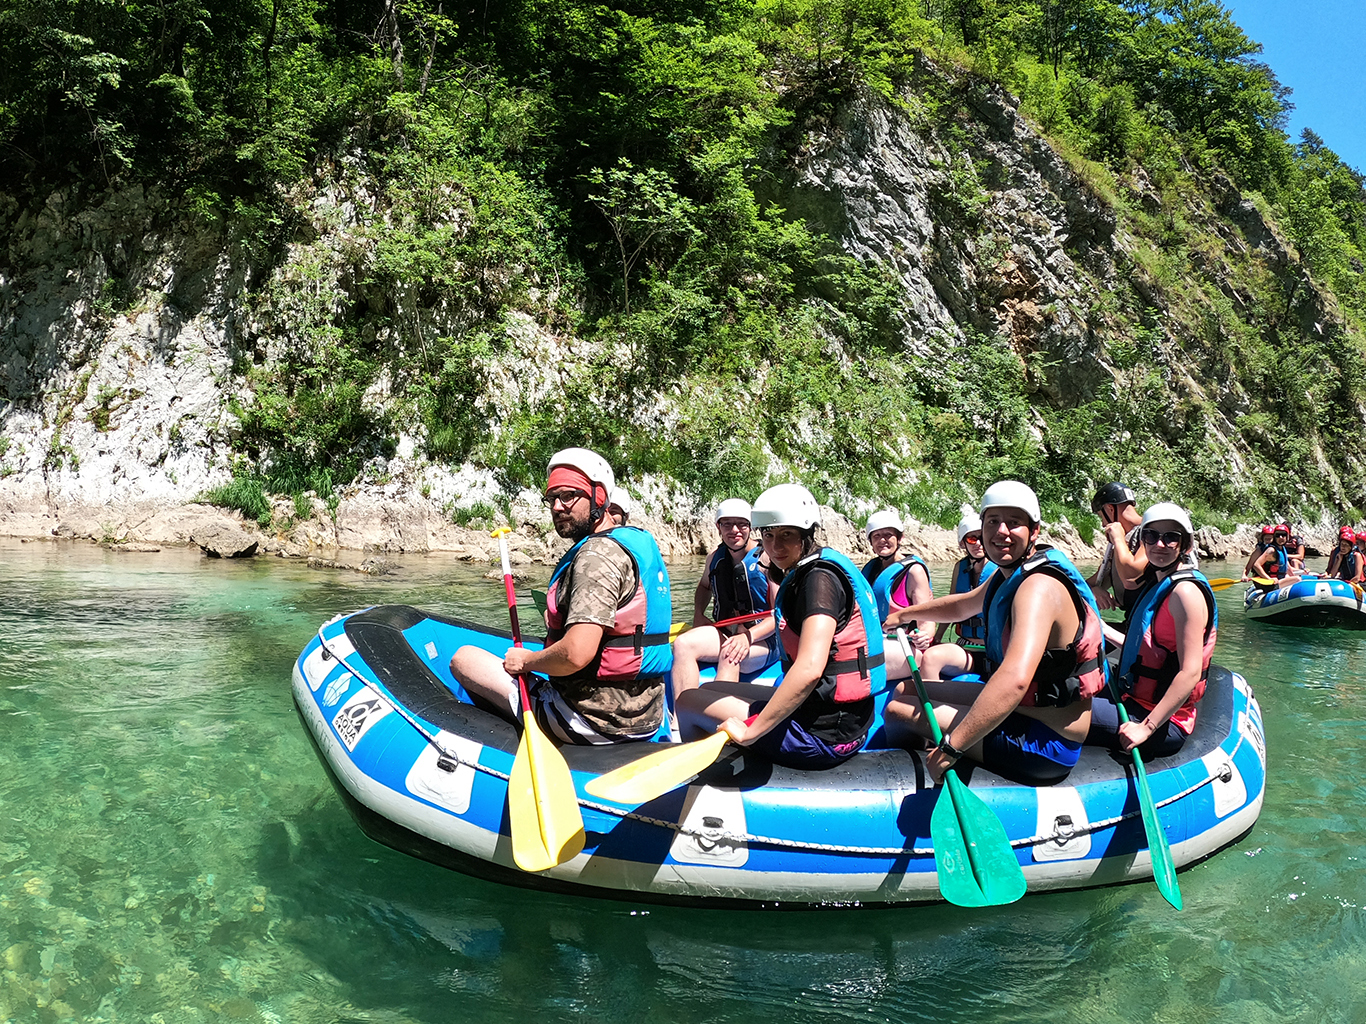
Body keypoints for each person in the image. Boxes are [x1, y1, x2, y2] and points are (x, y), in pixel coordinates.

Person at [883, 481, 1105, 786]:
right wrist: (905, 614)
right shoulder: (1011, 574)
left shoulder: (1037, 588)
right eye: (992, 521)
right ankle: (917, 755)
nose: (1001, 531)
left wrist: (952, 746)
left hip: (1044, 741)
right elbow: (963, 606)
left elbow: (1015, 680)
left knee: (897, 709)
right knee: (904, 691)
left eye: (1014, 522)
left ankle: (917, 773)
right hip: (1022, 712)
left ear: (1034, 531)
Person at [449, 448, 672, 745]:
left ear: (599, 497)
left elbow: (575, 654)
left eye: (568, 496)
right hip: (646, 718)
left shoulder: (596, 557)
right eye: (552, 498)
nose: (557, 506)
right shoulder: (634, 542)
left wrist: (527, 661)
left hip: (591, 720)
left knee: (464, 659)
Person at [676, 484, 885, 769]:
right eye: (769, 535)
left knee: (688, 702)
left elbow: (810, 669)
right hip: (831, 717)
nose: (775, 546)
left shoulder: (818, 582)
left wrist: (751, 731)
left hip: (821, 735)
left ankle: (703, 778)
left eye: (787, 534)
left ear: (807, 533)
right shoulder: (817, 566)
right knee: (721, 687)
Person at [1086, 503, 1217, 761]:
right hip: (1135, 697)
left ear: (1185, 546)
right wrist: (1104, 630)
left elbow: (1189, 672)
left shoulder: (1184, 593)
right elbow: (1150, 648)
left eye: (1171, 537)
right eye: (1152, 536)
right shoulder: (1158, 582)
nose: (1160, 544)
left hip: (1160, 719)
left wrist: (1145, 728)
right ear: (1142, 541)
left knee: (1058, 710)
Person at [671, 498, 778, 697]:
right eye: (727, 524)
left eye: (741, 524)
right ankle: (681, 720)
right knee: (682, 644)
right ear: (718, 527)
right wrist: (698, 613)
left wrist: (748, 637)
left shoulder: (768, 559)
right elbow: (704, 586)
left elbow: (779, 615)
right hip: (727, 633)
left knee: (730, 652)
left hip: (764, 640)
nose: (734, 530)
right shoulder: (714, 558)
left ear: (750, 527)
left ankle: (714, 716)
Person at [931, 512, 995, 661]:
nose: (978, 543)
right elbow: (951, 605)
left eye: (981, 537)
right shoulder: (960, 567)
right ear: (963, 543)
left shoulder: (1000, 569)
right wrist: (938, 637)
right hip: (964, 644)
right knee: (932, 658)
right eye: (972, 539)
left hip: (993, 646)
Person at [1087, 482, 1146, 613]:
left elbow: (1132, 576)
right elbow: (1090, 583)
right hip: (1132, 621)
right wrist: (1093, 590)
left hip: (1149, 625)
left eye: (1101, 516)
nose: (1103, 524)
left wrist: (1119, 539)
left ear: (1110, 509)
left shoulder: (1151, 533)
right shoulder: (1120, 547)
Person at [861, 510, 905, 584]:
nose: (882, 540)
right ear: (871, 542)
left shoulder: (913, 571)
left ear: (899, 539)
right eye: (876, 536)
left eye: (888, 535)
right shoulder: (871, 569)